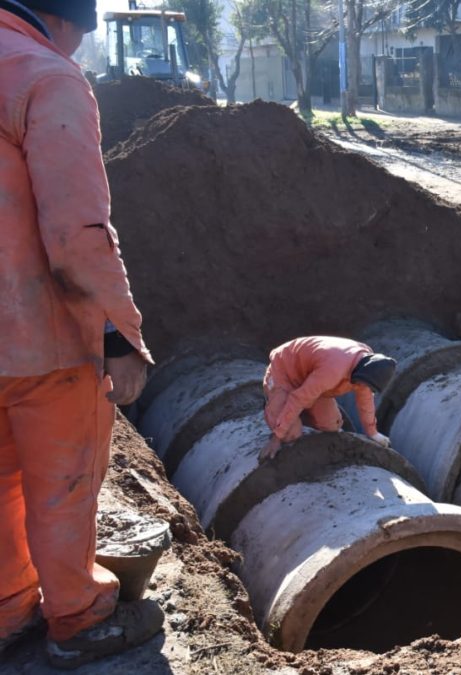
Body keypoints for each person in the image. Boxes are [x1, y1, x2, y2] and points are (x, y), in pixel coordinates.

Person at [0, 0, 164, 668]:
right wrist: (118, 335)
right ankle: (75, 616)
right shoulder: (48, 77)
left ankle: (9, 608)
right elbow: (75, 233)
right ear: (67, 23)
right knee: (62, 485)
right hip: (41, 337)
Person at [260, 336, 397, 461]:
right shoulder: (333, 370)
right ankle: (273, 406)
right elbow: (298, 398)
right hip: (285, 372)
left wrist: (373, 433)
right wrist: (277, 437)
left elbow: (365, 403)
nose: (363, 387)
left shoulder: (367, 370)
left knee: (331, 426)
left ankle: (299, 415)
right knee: (289, 434)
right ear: (360, 371)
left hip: (312, 378)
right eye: (362, 383)